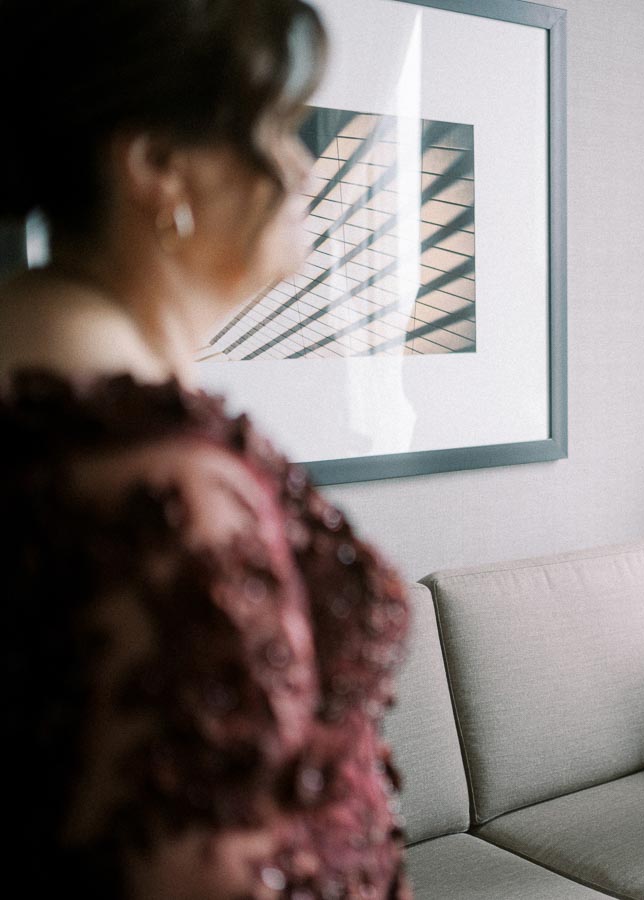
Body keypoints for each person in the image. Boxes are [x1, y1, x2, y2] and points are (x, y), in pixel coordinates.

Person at [0, 1, 411, 896]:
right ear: (155, 163)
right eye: (274, 128)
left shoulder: (39, 364)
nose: (304, 167)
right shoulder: (159, 483)